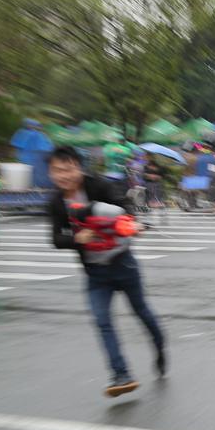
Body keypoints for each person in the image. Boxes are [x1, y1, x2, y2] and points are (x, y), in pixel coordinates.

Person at [48, 146, 166, 397]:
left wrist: (132, 223)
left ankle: (159, 346)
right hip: (95, 273)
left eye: (68, 169)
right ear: (51, 173)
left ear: (78, 167)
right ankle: (121, 375)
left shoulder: (98, 186)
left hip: (123, 264)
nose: (63, 175)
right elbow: (56, 239)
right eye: (57, 170)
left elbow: (125, 208)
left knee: (142, 312)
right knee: (102, 321)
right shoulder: (56, 202)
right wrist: (77, 238)